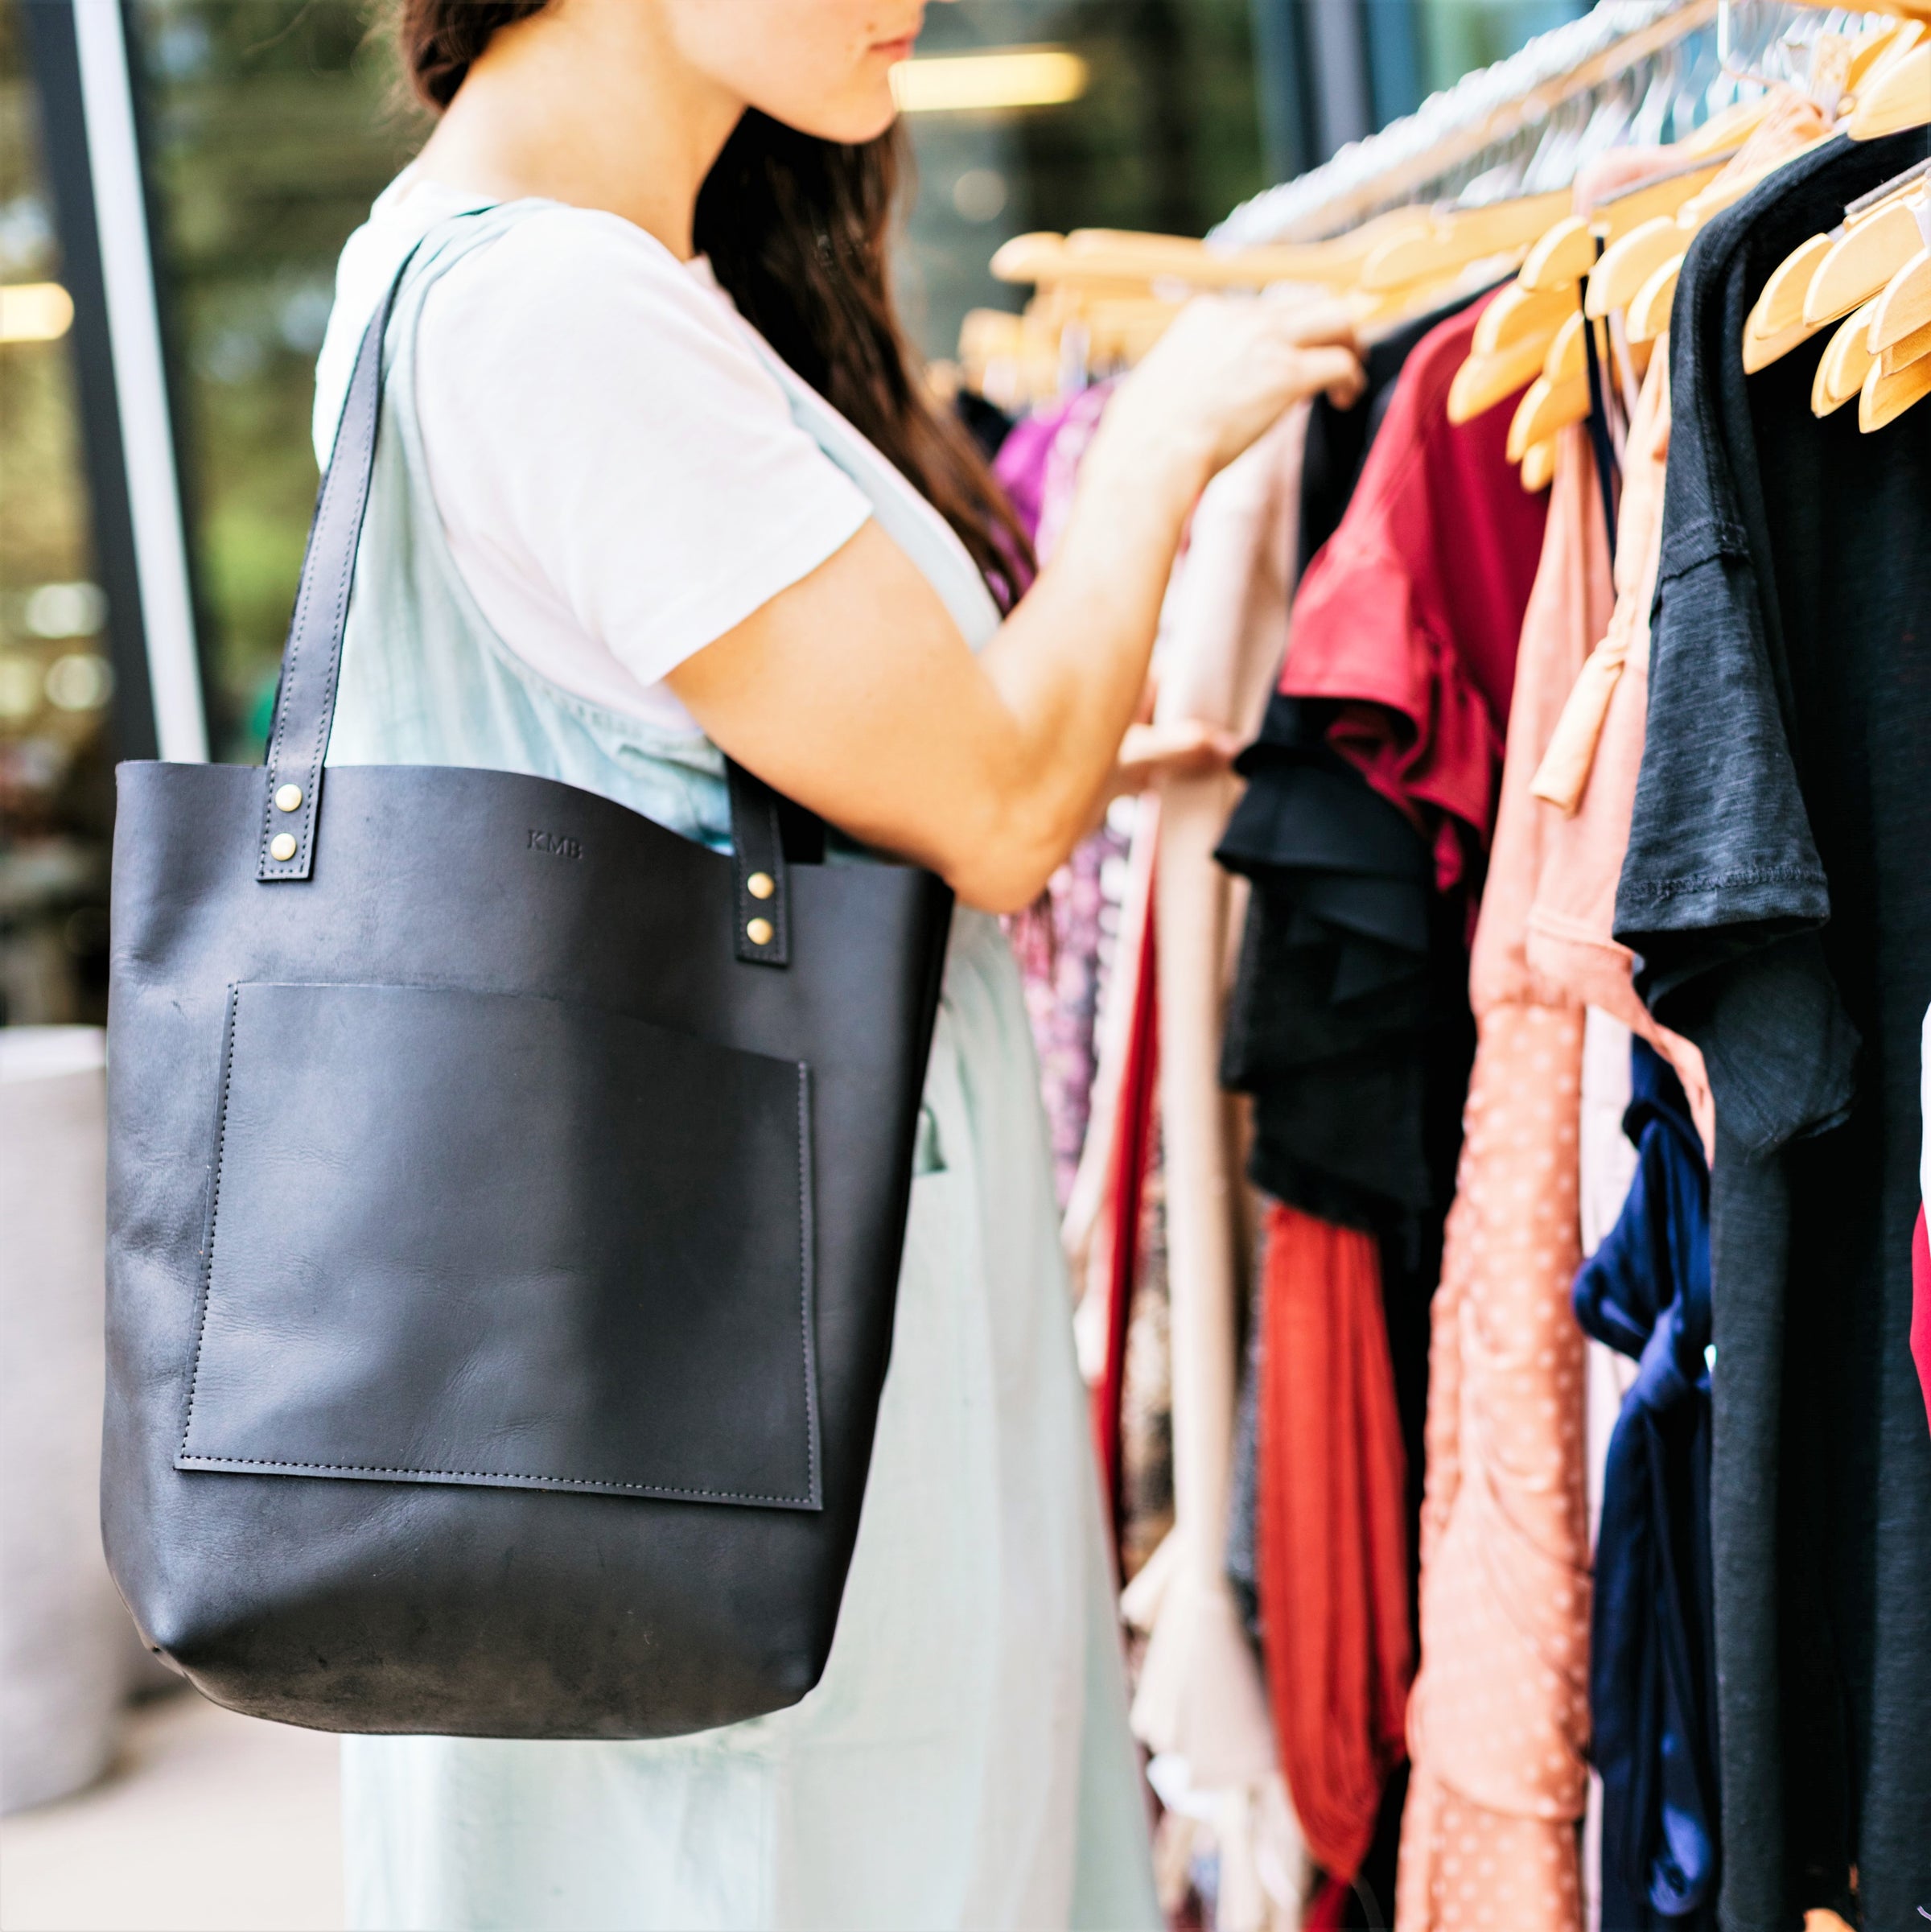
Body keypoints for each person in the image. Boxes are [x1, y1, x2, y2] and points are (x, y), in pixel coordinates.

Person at [319, 2, 1361, 1925]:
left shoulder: (559, 272)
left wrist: (1022, 730)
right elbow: (990, 813)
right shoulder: (557, 309)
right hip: (764, 1385)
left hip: (716, 1354)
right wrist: (1156, 448)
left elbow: (721, 762)